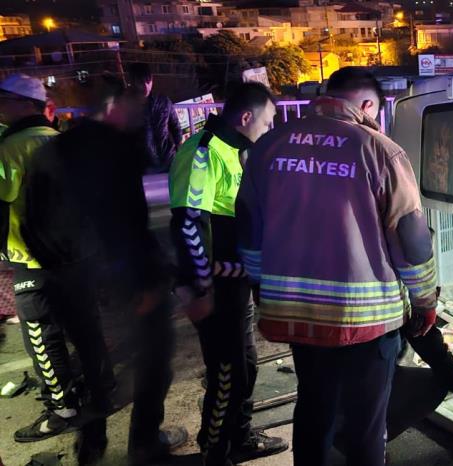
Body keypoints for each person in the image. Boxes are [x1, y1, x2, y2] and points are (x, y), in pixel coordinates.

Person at [236, 67, 438, 465]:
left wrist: (262, 288)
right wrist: (425, 298)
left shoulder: (269, 146)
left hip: (299, 317)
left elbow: (248, 226)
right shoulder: (380, 149)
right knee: (366, 424)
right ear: (366, 105)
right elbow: (410, 238)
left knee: (314, 409)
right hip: (366, 320)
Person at [21, 75, 187, 464]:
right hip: (122, 280)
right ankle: (145, 444)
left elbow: (31, 221)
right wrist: (147, 280)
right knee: (153, 362)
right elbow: (130, 221)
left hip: (68, 278)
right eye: (130, 106)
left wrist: (57, 269)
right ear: (114, 106)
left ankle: (92, 445)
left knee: (94, 367)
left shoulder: (54, 149)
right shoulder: (117, 150)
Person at [168, 81, 286, 466]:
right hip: (215, 286)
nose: (269, 130)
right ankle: (214, 450)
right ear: (247, 117)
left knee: (246, 365)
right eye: (268, 123)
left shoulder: (242, 151)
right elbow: (189, 224)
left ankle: (239, 435)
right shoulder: (202, 152)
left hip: (237, 281)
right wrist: (200, 288)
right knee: (227, 372)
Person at [0, 73, 114, 444]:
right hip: (79, 256)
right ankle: (102, 391)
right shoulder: (65, 143)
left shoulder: (9, 149)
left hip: (33, 261)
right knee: (86, 327)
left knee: (42, 335)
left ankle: (62, 409)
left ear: (24, 105)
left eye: (5, 99)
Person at [128, 63, 182, 173]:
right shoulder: (128, 107)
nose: (145, 86)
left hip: (169, 160)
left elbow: (176, 127)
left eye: (148, 81)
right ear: (133, 82)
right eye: (140, 82)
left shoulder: (164, 101)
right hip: (145, 166)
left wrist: (180, 151)